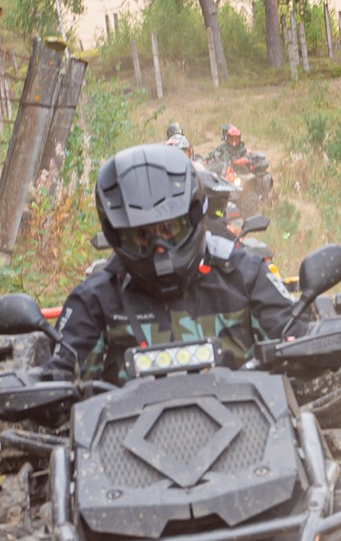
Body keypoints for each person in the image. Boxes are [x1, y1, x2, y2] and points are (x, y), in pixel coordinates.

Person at [47, 144, 298, 385]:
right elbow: (57, 384)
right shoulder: (94, 302)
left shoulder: (246, 276)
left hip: (253, 425)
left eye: (169, 230)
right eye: (141, 236)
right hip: (127, 428)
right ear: (117, 237)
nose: (159, 248)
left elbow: (298, 341)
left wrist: (311, 347)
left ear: (194, 217)